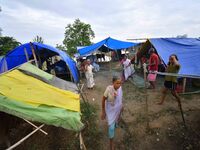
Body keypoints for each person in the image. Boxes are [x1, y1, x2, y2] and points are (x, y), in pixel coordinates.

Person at [101, 76, 123, 150]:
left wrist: (121, 106)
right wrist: (103, 111)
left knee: (116, 119)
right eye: (117, 83)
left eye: (120, 83)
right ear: (113, 82)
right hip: (110, 110)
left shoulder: (120, 89)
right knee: (111, 127)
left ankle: (116, 122)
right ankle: (111, 144)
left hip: (117, 109)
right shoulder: (109, 89)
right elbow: (103, 100)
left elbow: (120, 99)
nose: (119, 85)